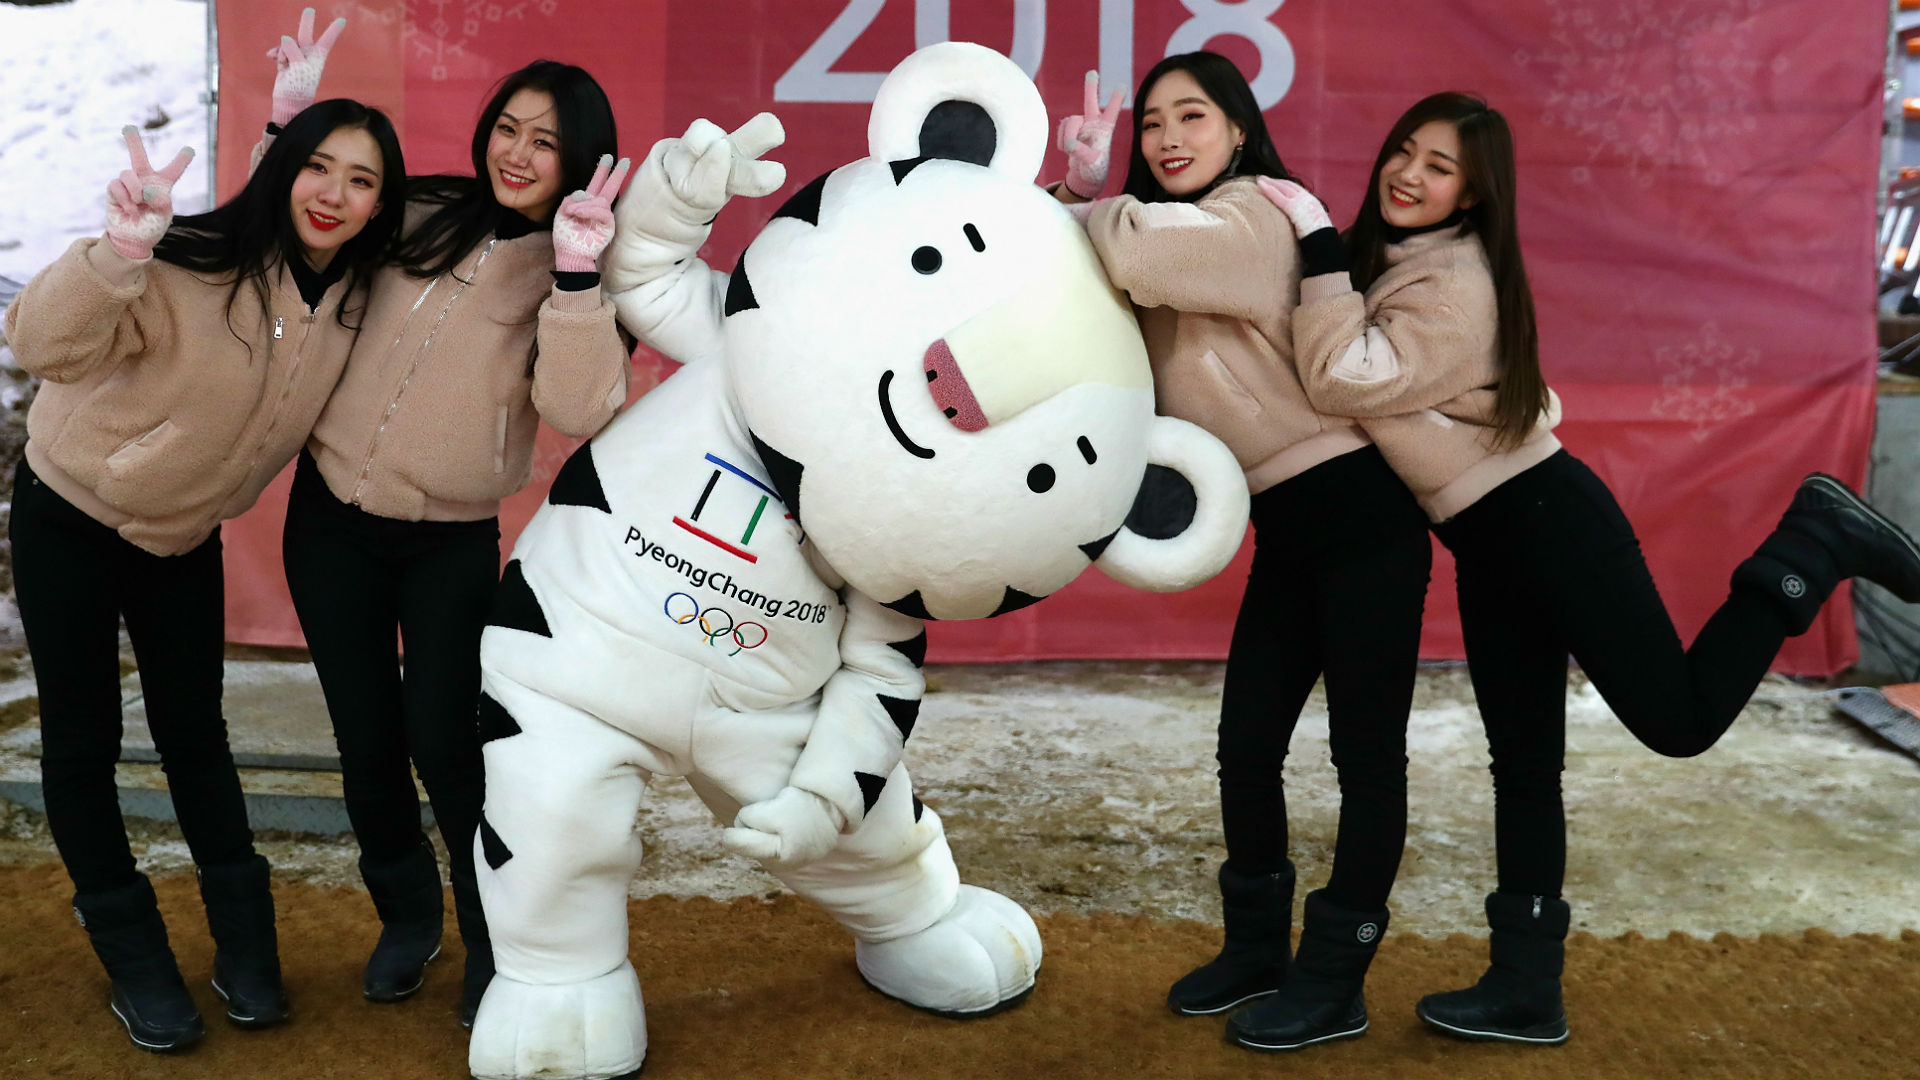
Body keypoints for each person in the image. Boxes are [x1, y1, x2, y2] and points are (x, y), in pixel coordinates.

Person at [1257, 90, 1920, 1047]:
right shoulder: (1382, 263)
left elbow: (1338, 378)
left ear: (1477, 196)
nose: (1409, 173)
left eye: (1440, 167)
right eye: (1406, 151)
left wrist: (1316, 253)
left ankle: (1809, 549)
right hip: (1484, 540)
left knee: (1679, 722)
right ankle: (1526, 987)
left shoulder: (1458, 282)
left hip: (1545, 519)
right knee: (1524, 768)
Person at [3, 98, 404, 1051]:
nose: (335, 194)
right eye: (319, 167)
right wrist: (116, 255)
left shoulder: (351, 301)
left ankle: (244, 945)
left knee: (195, 735)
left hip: (180, 535)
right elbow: (40, 347)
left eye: (362, 180)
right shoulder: (189, 259)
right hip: (73, 512)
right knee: (83, 736)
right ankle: (134, 954)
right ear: (285, 172)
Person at [1053, 52, 1432, 1051]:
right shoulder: (1166, 230)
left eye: (1193, 117)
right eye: (1152, 125)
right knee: (1246, 749)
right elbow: (1059, 269)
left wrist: (1093, 201)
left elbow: (1126, 254)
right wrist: (1081, 188)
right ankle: (1259, 950)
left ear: (1237, 130)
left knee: (1365, 760)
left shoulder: (1261, 214)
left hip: (1361, 516)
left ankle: (1337, 979)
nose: (1169, 138)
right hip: (1288, 528)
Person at [265, 17, 633, 1028]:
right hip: (330, 519)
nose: (517, 152)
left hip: (450, 542)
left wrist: (575, 279)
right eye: (508, 128)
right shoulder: (421, 208)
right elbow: (297, 238)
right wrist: (285, 136)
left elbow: (578, 407)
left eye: (545, 140)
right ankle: (406, 915)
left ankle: (491, 938)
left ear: (582, 162)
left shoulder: (584, 264)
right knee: (364, 737)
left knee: (448, 742)